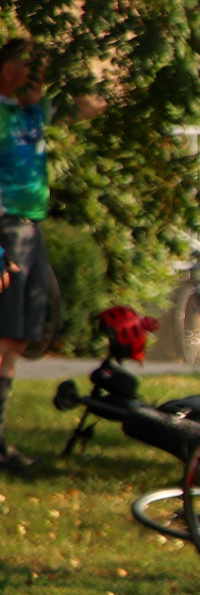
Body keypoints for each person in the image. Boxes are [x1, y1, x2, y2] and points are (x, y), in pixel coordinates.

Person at [0, 36, 103, 469]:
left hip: (30, 226)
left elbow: (94, 104)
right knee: (3, 336)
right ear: (9, 71)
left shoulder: (35, 111)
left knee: (18, 338)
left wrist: (71, 70)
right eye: (34, 70)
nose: (41, 79)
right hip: (6, 226)